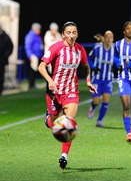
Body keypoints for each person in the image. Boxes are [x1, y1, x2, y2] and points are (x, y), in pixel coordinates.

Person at [38, 21, 97, 170]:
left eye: (74, 32)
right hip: (54, 92)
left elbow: (86, 66)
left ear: (77, 34)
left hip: (71, 91)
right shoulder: (56, 48)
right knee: (55, 126)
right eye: (69, 33)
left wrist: (88, 81)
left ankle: (64, 156)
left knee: (68, 124)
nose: (72, 35)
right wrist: (50, 80)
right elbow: (41, 66)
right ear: (63, 34)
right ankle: (48, 120)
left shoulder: (80, 50)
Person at [87, 30, 115, 127]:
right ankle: (93, 107)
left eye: (111, 37)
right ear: (104, 38)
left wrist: (119, 64)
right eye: (107, 37)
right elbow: (89, 59)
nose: (109, 39)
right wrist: (94, 67)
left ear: (113, 39)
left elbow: (118, 60)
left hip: (108, 79)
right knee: (96, 100)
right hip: (97, 78)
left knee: (106, 99)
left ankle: (99, 121)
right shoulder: (97, 48)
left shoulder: (115, 49)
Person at [24, 22, 44, 90]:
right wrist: (30, 55)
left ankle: (33, 84)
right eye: (38, 29)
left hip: (37, 56)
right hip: (33, 56)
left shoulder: (37, 36)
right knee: (32, 71)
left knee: (34, 71)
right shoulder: (30, 36)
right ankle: (31, 85)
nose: (39, 31)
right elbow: (28, 46)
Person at [0, 23, 14, 95]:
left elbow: (10, 46)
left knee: (1, 75)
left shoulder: (5, 36)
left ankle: (0, 90)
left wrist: (6, 55)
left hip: (2, 60)